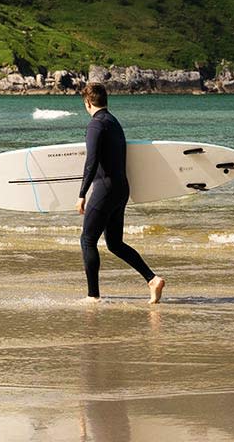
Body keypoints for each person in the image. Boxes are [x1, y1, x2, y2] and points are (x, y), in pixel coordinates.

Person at [76, 82, 165, 304]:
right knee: (114, 243)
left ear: (88, 102)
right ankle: (152, 279)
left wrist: (82, 193)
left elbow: (91, 161)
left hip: (105, 189)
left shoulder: (96, 125)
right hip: (121, 189)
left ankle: (93, 296)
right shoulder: (114, 123)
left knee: (87, 240)